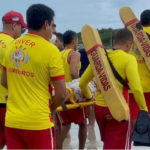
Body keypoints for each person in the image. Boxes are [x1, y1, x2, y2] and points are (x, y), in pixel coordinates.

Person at [1, 4, 69, 149]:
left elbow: (4, 81)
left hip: (13, 122)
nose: (52, 32)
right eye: (51, 26)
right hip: (38, 123)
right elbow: (62, 94)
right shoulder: (51, 50)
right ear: (46, 24)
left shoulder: (13, 46)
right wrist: (51, 108)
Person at [79, 28, 148, 150]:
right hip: (118, 109)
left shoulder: (100, 59)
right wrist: (143, 109)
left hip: (99, 109)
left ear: (114, 42)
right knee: (120, 147)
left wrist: (89, 96)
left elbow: (82, 83)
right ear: (129, 44)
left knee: (108, 144)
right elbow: (136, 88)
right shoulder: (128, 59)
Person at [56, 30, 88, 149]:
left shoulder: (59, 54)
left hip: (60, 92)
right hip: (73, 94)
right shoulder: (75, 54)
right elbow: (74, 72)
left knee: (65, 125)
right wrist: (81, 86)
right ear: (74, 40)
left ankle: (56, 148)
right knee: (83, 124)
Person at [0, 10, 27, 149]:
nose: (22, 32)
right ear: (14, 25)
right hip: (6, 102)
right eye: (22, 28)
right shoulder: (14, 46)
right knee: (13, 142)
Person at [129, 9, 150, 132]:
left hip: (134, 84)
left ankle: (136, 139)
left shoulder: (132, 36)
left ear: (140, 22)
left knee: (134, 116)